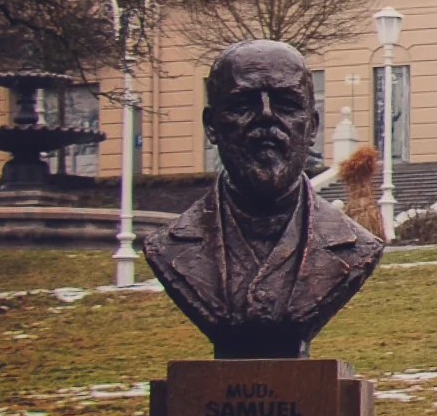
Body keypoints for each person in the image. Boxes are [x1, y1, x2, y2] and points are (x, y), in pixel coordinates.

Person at [142, 39, 384, 359]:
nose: (266, 117)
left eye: (285, 104)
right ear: (211, 126)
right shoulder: (168, 248)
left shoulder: (357, 248)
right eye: (243, 105)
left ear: (312, 126)